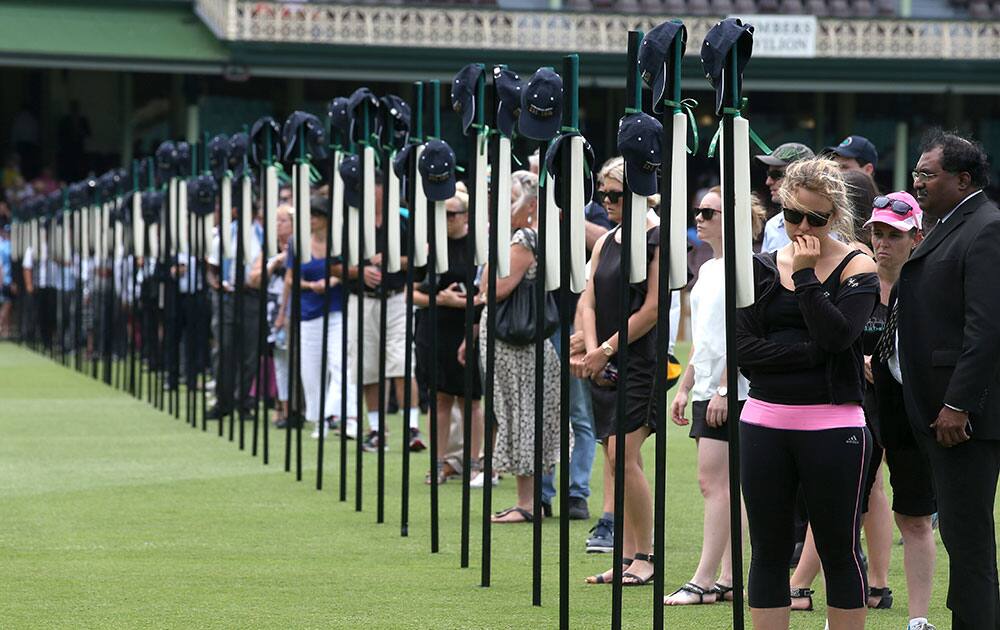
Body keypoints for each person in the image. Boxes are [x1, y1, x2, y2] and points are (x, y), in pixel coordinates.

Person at [736, 157, 878, 630]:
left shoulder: (858, 265)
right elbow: (744, 350)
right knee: (769, 550)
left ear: (834, 216)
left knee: (839, 549)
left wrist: (805, 277)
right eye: (794, 215)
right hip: (763, 421)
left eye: (815, 219)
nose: (802, 227)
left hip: (833, 424)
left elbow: (840, 338)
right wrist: (811, 352)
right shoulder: (757, 266)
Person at [897, 129, 1000, 630]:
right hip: (933, 409)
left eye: (926, 174)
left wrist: (959, 404)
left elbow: (986, 328)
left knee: (969, 540)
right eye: (917, 172)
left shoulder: (985, 227)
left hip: (962, 419)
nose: (917, 182)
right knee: (961, 537)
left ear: (962, 179)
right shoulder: (948, 223)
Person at [665, 186, 764, 605]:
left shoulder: (746, 267)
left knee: (713, 483)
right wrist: (686, 385)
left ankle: (705, 578)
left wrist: (724, 387)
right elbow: (706, 337)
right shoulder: (708, 269)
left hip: (733, 389)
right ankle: (725, 576)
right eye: (698, 211)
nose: (700, 218)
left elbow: (742, 334)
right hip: (710, 386)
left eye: (709, 211)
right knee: (724, 485)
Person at [572, 159, 661, 587]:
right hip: (604, 360)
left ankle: (646, 554)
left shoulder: (656, 238)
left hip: (640, 361)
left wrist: (604, 349)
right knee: (614, 455)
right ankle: (627, 553)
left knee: (623, 454)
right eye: (603, 194)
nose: (606, 202)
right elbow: (587, 299)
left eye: (615, 195)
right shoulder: (606, 239)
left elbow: (652, 309)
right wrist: (592, 350)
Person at [865, 192, 938, 630]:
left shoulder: (929, 286)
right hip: (860, 407)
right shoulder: (856, 281)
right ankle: (845, 607)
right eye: (878, 232)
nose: (883, 242)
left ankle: (918, 618)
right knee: (844, 507)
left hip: (912, 409)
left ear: (917, 237)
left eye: (895, 234)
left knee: (913, 515)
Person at [478, 170, 560, 523]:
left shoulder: (524, 238)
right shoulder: (516, 237)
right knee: (516, 415)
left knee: (523, 417)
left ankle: (528, 503)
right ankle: (526, 500)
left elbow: (492, 289)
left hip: (518, 347)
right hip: (510, 345)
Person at [342, 175, 423, 450]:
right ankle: (377, 429)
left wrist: (393, 261)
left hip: (397, 298)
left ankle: (412, 427)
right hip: (361, 300)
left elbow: (422, 257)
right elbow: (333, 264)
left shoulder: (403, 218)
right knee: (367, 366)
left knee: (401, 361)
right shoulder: (352, 221)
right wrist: (358, 271)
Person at [414, 190, 483, 484]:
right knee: (439, 397)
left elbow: (488, 292)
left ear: (466, 216)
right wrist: (440, 300)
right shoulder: (430, 248)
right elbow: (413, 293)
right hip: (435, 326)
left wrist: (464, 304)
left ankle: (472, 462)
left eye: (451, 214)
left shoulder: (479, 247)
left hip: (471, 326)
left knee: (471, 399)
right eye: (441, 214)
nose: (446, 220)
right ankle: (438, 462)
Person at [277, 196, 355, 438]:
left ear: (324, 219)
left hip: (336, 309)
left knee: (340, 363)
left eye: (314, 215)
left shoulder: (340, 241)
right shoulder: (297, 242)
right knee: (310, 371)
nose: (310, 220)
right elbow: (290, 279)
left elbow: (350, 270)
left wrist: (332, 280)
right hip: (308, 312)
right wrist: (309, 288)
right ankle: (320, 418)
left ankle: (344, 416)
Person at [249, 203, 293, 427]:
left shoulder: (303, 246)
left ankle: (300, 407)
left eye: (282, 220)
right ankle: (283, 407)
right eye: (275, 221)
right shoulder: (269, 249)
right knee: (280, 361)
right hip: (274, 309)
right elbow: (253, 279)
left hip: (300, 306)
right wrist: (274, 261)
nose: (277, 225)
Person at [757, 143, 815, 253]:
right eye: (768, 174)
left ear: (804, 176)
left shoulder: (832, 224)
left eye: (776, 174)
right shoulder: (772, 226)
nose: (768, 182)